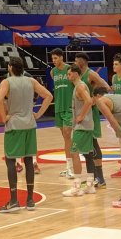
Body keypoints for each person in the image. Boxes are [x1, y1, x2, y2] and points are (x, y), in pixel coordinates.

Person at [0, 56, 53, 213]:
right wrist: (38, 114)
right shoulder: (31, 81)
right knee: (28, 160)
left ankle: (13, 200)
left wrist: (3, 118)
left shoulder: (6, 82)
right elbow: (49, 96)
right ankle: (30, 200)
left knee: (10, 160)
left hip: (14, 125)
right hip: (29, 124)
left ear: (10, 68)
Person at [75, 52, 109, 187]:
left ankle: (100, 178)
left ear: (83, 61)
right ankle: (93, 175)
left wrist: (95, 100)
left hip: (91, 113)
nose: (76, 62)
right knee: (87, 145)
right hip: (83, 111)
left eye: (77, 60)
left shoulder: (90, 74)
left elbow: (106, 87)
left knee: (93, 142)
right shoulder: (78, 76)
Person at [62, 65, 97, 197]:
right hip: (87, 125)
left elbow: (89, 101)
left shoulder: (80, 86)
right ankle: (90, 185)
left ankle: (76, 187)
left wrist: (81, 115)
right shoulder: (81, 86)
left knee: (74, 153)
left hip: (82, 126)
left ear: (76, 74)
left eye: (70, 74)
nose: (68, 76)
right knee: (88, 155)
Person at [49, 48, 75, 179]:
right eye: (52, 58)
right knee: (66, 138)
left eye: (55, 58)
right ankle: (69, 167)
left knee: (67, 134)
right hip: (58, 107)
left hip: (69, 107)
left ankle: (73, 167)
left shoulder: (70, 69)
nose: (53, 61)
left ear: (61, 57)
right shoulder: (52, 72)